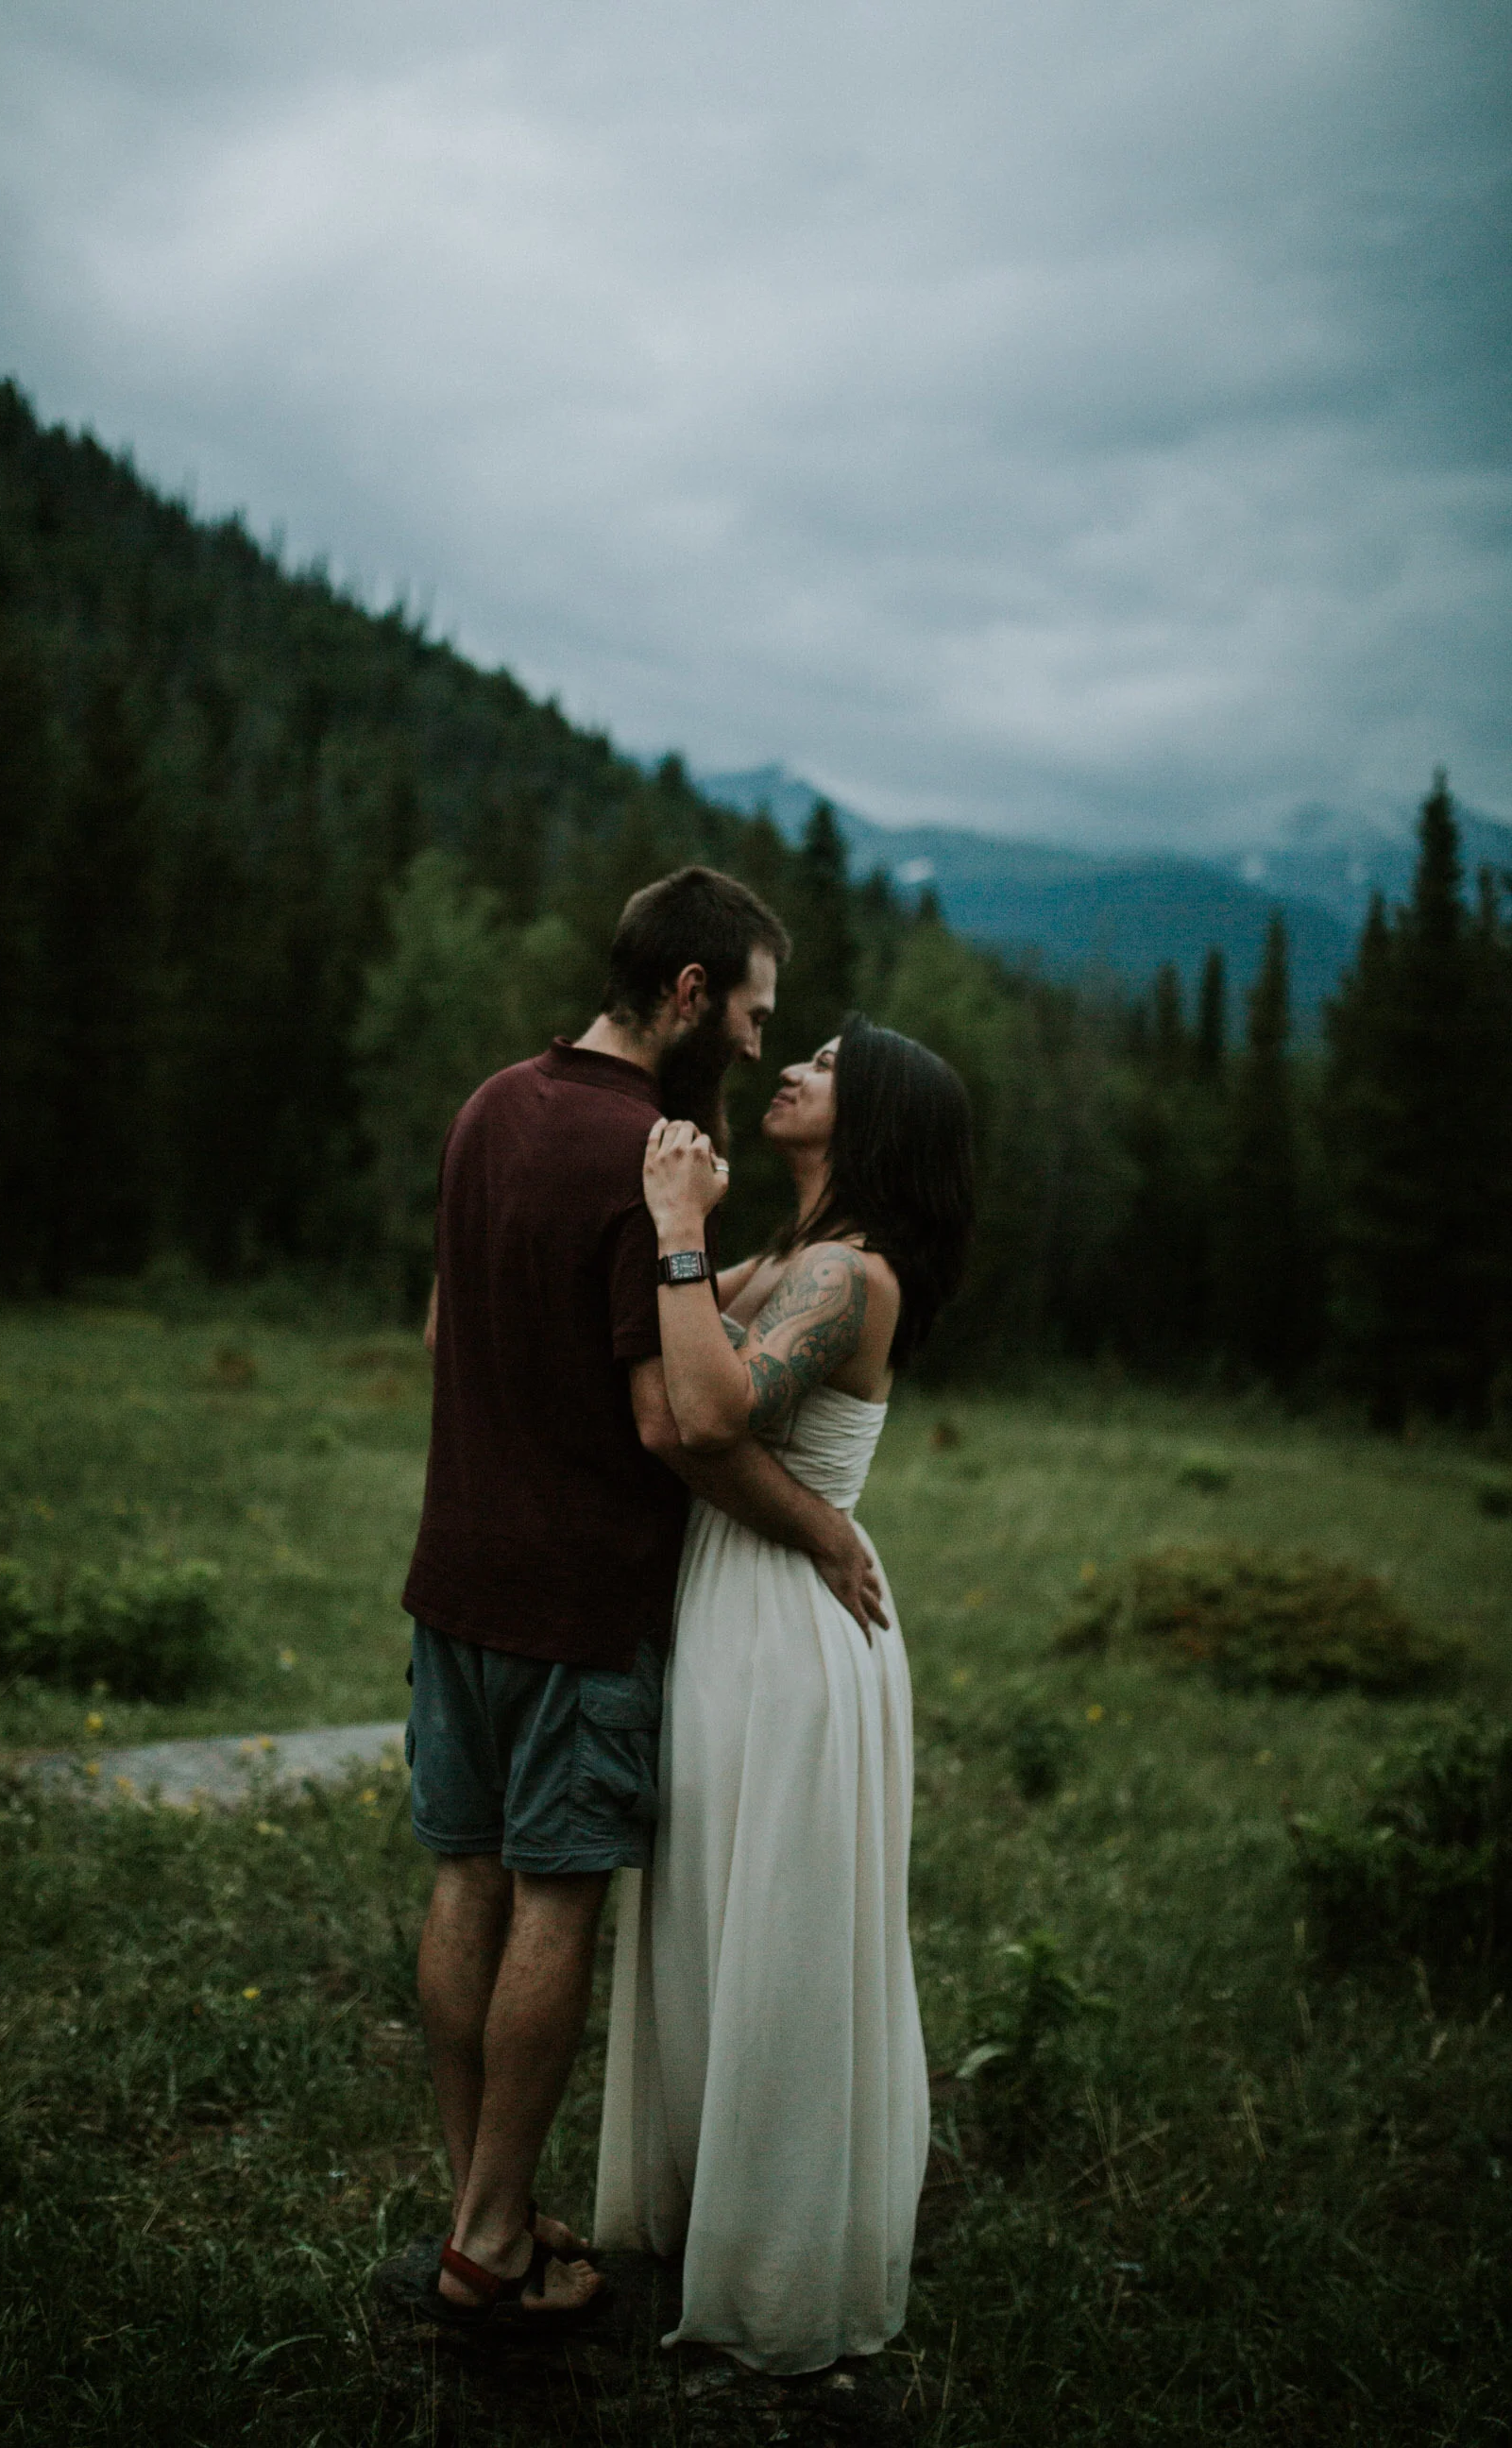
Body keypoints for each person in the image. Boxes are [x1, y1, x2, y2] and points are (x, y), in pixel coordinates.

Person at [394, 869, 890, 2327]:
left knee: (464, 1875)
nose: (756, 1041)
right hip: (579, 1600)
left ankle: (477, 2213)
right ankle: (494, 2237)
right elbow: (677, 1422)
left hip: (454, 1572)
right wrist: (819, 1532)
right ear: (689, 994)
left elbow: (443, 1327)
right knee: (555, 1895)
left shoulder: (491, 1104)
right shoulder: (649, 1154)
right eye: (752, 1012)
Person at [594, 1014, 974, 2372]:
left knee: (780, 1942)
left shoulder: (847, 1276)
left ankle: (777, 2274)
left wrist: (677, 1226)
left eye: (826, 1067)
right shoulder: (797, 1255)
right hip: (740, 1600)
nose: (796, 1071)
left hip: (792, 1636)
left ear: (871, 1122)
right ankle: (717, 2225)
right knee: (716, 1916)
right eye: (799, 1051)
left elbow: (710, 1411)